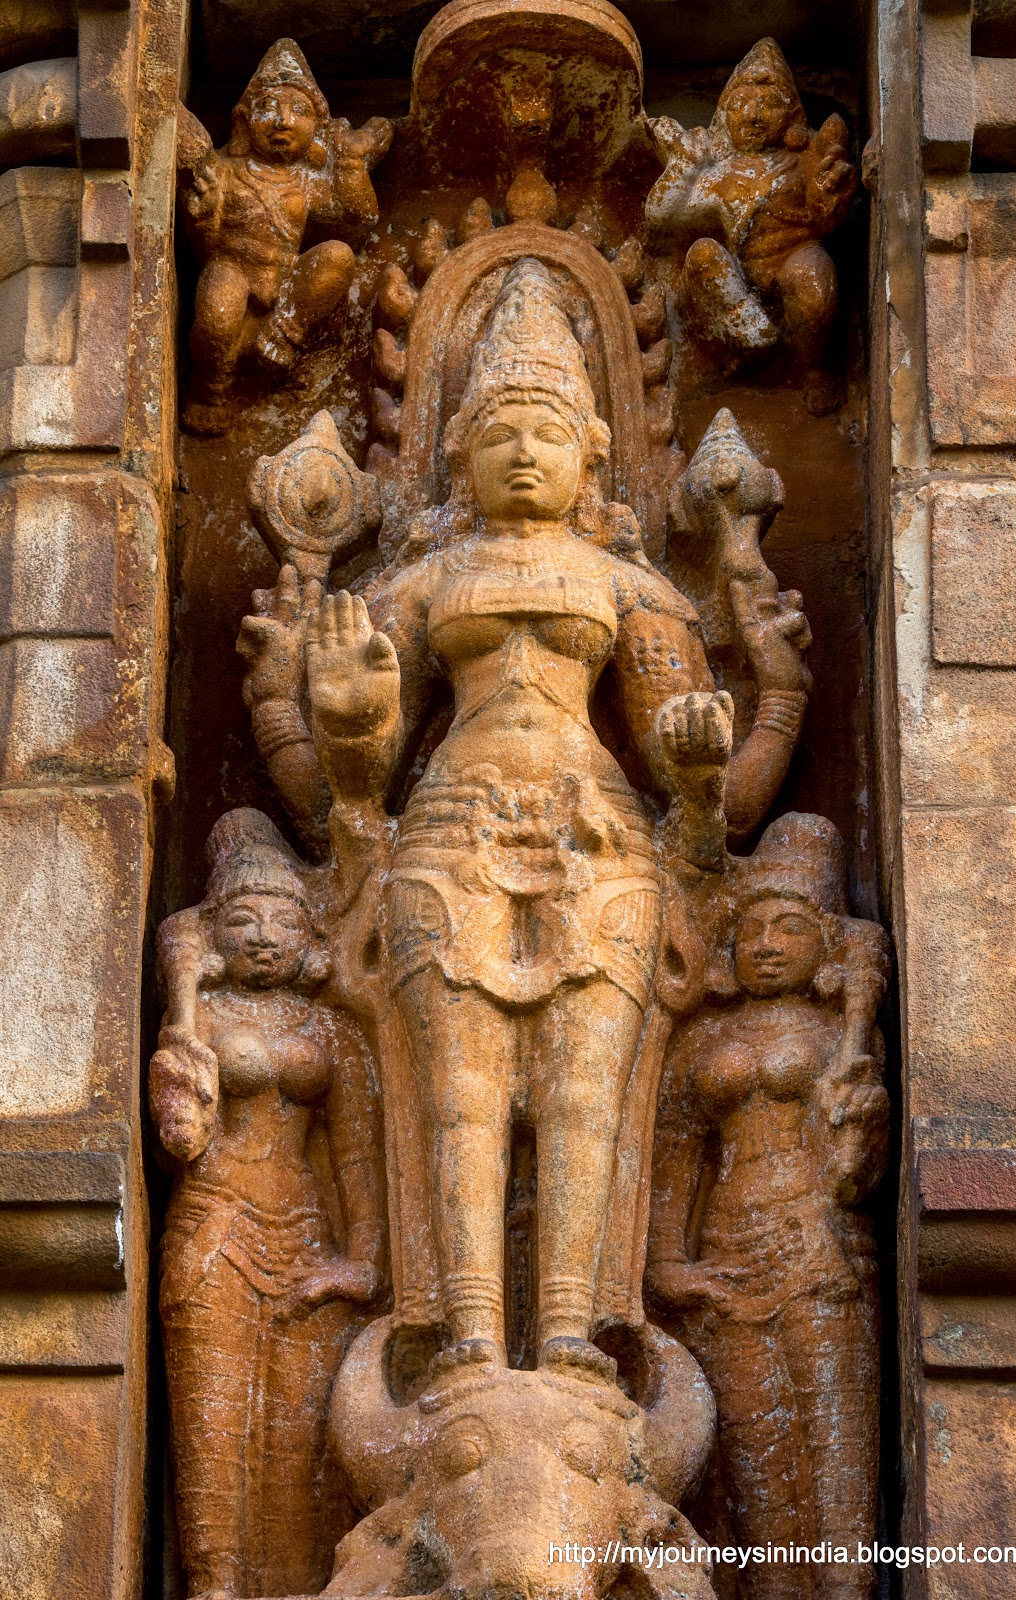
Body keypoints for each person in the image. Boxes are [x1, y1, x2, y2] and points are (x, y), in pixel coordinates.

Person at [290, 259, 811, 1378]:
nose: (523, 451)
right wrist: (348, 727)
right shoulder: (421, 585)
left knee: (584, 1095)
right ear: (459, 456)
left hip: (600, 842)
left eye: (546, 431)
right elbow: (359, 779)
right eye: (498, 433)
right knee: (463, 1100)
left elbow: (692, 755)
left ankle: (573, 1333)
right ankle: (471, 1334)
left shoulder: (636, 591)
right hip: (451, 835)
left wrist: (702, 768)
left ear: (591, 454)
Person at [647, 813, 889, 1598]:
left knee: (834, 1447)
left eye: (789, 928)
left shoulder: (840, 1036)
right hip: (726, 1255)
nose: (767, 945)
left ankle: (849, 1587)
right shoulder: (701, 1043)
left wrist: (858, 1088)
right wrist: (668, 1262)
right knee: (758, 1466)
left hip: (816, 1246)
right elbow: (674, 1154)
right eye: (751, 930)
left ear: (826, 945)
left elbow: (855, 1165)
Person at [149, 809, 387, 1599]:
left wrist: (363, 1260)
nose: (260, 937)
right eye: (241, 921)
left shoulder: (331, 1031)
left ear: (308, 933)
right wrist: (182, 1009)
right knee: (212, 1423)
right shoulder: (203, 1021)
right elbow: (181, 1139)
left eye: (281, 920)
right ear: (214, 933)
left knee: (301, 1440)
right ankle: (214, 1585)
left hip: (308, 1242)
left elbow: (357, 1155)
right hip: (216, 1224)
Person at [176, 38, 392, 433]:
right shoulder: (225, 168)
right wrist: (202, 212)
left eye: (299, 111)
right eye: (268, 108)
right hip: (232, 269)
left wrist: (349, 164)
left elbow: (358, 219)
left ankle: (283, 334)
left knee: (338, 256)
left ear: (318, 129)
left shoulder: (308, 179)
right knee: (219, 306)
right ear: (242, 120)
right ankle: (211, 389)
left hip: (286, 285)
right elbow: (203, 244)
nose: (283, 120)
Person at [646, 37, 856, 370]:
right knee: (703, 253)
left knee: (812, 277)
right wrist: (685, 164)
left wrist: (831, 191)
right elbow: (661, 219)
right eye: (741, 102)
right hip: (737, 287)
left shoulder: (802, 162)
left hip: (793, 263)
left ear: (791, 116)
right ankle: (750, 333)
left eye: (769, 103)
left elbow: (826, 218)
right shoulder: (721, 172)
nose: (754, 113)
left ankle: (813, 368)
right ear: (724, 113)